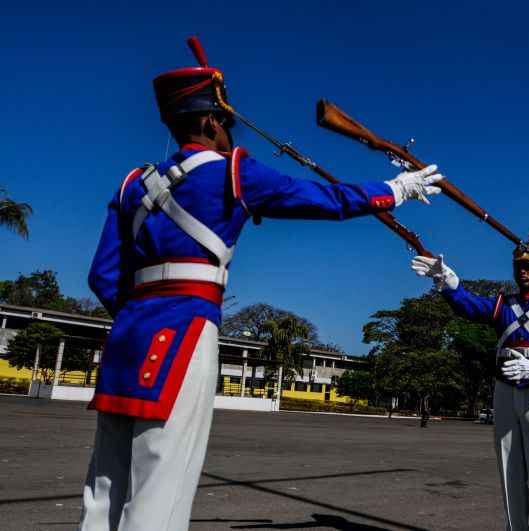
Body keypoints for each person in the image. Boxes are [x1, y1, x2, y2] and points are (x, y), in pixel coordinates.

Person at [79, 38, 444, 531]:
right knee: (161, 487)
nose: (229, 131)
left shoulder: (132, 186)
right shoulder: (233, 172)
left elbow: (103, 275)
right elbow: (325, 199)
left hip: (126, 336)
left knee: (105, 487)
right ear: (212, 120)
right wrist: (396, 190)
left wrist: (140, 315)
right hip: (183, 331)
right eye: (225, 122)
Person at [411, 229, 529, 531]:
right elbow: (470, 305)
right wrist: (449, 281)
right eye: (518, 266)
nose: (523, 271)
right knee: (509, 474)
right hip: (503, 391)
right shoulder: (503, 304)